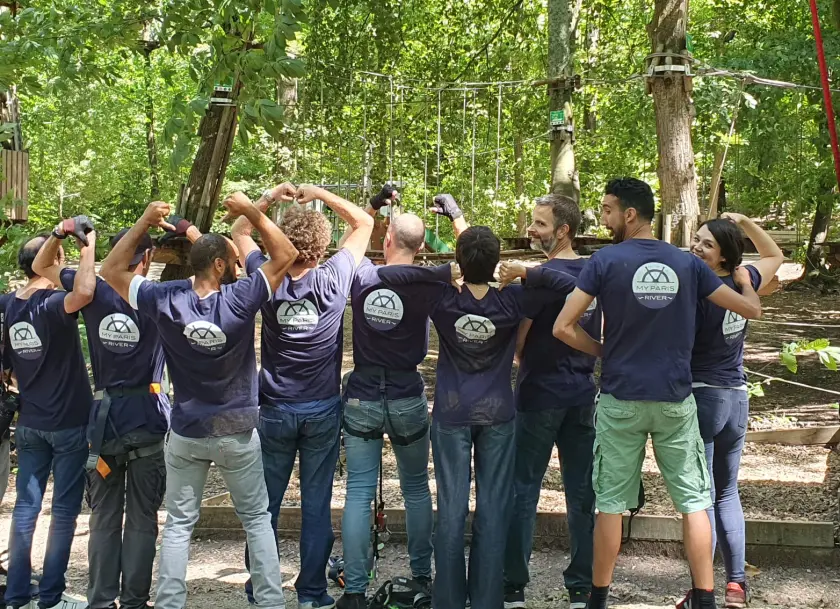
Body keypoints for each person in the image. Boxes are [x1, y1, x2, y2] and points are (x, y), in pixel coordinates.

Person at [552, 178, 763, 609]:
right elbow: (750, 309)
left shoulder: (604, 261)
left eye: (607, 210)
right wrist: (744, 282)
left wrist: (603, 351)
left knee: (610, 504)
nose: (604, 218)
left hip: (620, 399)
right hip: (675, 400)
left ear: (629, 214)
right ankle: (705, 599)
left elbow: (562, 327)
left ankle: (597, 600)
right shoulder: (688, 264)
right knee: (695, 502)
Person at [377, 195, 577, 609]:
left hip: (452, 414)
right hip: (498, 414)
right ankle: (486, 600)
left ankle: (449, 600)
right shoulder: (513, 299)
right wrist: (527, 272)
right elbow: (570, 284)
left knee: (451, 510)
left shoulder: (442, 297)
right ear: (497, 261)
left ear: (460, 261)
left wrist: (442, 272)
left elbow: (390, 275)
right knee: (492, 508)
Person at [100, 195, 298, 609]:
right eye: (234, 261)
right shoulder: (240, 298)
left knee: (178, 525)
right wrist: (251, 210)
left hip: (187, 432)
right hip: (236, 432)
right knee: (256, 520)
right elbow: (286, 255)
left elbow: (111, 271)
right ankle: (271, 603)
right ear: (221, 266)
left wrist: (144, 220)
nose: (240, 268)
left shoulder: (165, 297)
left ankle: (169, 603)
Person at [231, 183, 374, 609]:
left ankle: (262, 589)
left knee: (266, 506)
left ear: (280, 242)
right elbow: (364, 223)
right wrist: (320, 194)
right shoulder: (334, 276)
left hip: (275, 408)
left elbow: (239, 231)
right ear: (322, 245)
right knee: (316, 504)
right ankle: (311, 593)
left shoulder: (266, 275)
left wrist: (268, 198)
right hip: (321, 410)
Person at [32, 222, 171, 609]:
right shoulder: (159, 296)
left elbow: (41, 267)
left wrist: (62, 235)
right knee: (142, 517)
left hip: (105, 421)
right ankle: (135, 602)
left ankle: (100, 601)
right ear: (147, 258)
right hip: (147, 418)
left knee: (104, 516)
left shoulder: (91, 289)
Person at [333, 187, 433, 609]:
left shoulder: (362, 275)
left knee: (358, 490)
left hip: (363, 395)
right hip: (407, 394)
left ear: (386, 239)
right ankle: (422, 577)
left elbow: (344, 248)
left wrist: (371, 208)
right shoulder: (427, 281)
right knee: (416, 488)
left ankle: (355, 590)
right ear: (421, 247)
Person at [503, 194, 601, 609]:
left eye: (540, 223)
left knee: (523, 490)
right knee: (581, 494)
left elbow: (519, 341)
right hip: (581, 394)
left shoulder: (540, 278)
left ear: (563, 231)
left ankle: (513, 586)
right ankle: (581, 587)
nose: (531, 229)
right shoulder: (594, 273)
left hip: (540, 395)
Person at [688, 213, 783, 609]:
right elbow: (774, 256)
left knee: (704, 498)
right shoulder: (744, 281)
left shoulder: (696, 287)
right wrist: (745, 221)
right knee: (726, 493)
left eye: (707, 244)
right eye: (696, 239)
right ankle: (736, 586)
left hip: (702, 398)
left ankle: (703, 591)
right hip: (736, 398)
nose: (697, 247)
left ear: (724, 255)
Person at [3, 218, 97, 609]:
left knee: (26, 509)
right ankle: (51, 597)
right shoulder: (53, 303)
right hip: (69, 421)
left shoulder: (7, 306)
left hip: (30, 422)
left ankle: (16, 595)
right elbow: (86, 291)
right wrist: (88, 247)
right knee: (63, 511)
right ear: (52, 261)